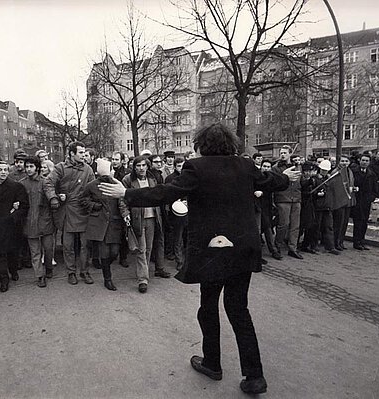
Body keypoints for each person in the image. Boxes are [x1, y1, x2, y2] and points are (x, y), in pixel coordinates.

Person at [98, 123, 298, 394]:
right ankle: (254, 375)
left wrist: (127, 193)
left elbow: (166, 193)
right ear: (231, 144)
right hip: (242, 248)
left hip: (213, 249)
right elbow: (273, 181)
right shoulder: (245, 165)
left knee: (208, 307)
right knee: (239, 310)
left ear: (202, 144)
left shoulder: (197, 168)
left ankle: (213, 363)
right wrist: (286, 176)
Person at [44, 141, 95, 285]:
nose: (84, 155)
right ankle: (71, 272)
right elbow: (48, 183)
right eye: (80, 153)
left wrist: (93, 203)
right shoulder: (60, 168)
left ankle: (85, 272)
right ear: (72, 153)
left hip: (84, 210)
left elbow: (94, 188)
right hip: (67, 211)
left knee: (86, 245)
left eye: (84, 153)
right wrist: (54, 197)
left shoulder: (88, 170)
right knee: (68, 246)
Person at [121, 156, 170, 293]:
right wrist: (125, 214)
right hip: (137, 218)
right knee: (141, 248)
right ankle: (142, 279)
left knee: (148, 248)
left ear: (147, 166)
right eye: (138, 166)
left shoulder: (152, 179)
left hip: (153, 217)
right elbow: (122, 199)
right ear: (134, 167)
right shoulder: (128, 180)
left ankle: (144, 273)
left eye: (143, 165)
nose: (141, 168)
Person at [82, 159, 129, 291]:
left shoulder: (116, 184)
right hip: (100, 223)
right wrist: (95, 206)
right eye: (104, 175)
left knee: (114, 252)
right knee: (104, 252)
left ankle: (106, 266)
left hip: (114, 223)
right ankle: (107, 279)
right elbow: (83, 200)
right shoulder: (91, 186)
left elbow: (122, 200)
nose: (106, 178)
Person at [0, 161, 29, 292]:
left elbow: (24, 206)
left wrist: (13, 217)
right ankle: (3, 279)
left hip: (11, 225)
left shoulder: (16, 186)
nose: (3, 172)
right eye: (0, 170)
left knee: (12, 252)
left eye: (5, 169)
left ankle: (13, 270)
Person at [21, 157, 55, 287]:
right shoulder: (22, 183)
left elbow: (50, 194)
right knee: (35, 251)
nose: (29, 169)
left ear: (37, 168)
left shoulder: (45, 182)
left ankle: (49, 267)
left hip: (44, 220)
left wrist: (54, 199)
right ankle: (40, 276)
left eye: (31, 166)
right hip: (29, 221)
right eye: (27, 167)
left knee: (48, 248)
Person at [273, 145, 303, 259]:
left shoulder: (297, 167)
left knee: (295, 225)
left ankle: (292, 248)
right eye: (281, 153)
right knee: (283, 224)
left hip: (295, 198)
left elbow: (300, 182)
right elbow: (274, 183)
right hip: (282, 198)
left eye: (285, 153)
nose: (282, 155)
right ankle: (277, 246)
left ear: (290, 154)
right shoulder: (276, 168)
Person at [164, 157, 187, 270]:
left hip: (188, 211)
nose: (181, 168)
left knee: (188, 237)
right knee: (178, 237)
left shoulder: (188, 178)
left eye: (183, 165)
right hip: (176, 212)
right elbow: (167, 195)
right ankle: (179, 261)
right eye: (178, 166)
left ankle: (187, 260)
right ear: (174, 166)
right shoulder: (169, 179)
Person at [350, 154, 377, 250]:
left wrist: (372, 197)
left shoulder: (371, 174)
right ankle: (356, 242)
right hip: (357, 200)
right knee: (358, 222)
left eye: (367, 161)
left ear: (369, 162)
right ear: (359, 161)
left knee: (364, 221)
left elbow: (374, 187)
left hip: (366, 201)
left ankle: (362, 241)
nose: (365, 162)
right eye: (363, 160)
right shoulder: (354, 172)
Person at [330, 156, 356, 251]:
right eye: (342, 161)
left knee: (344, 222)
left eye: (346, 161)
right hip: (339, 201)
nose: (344, 163)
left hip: (348, 201)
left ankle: (341, 241)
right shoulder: (336, 172)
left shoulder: (350, 172)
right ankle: (335, 242)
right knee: (338, 223)